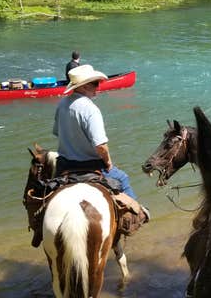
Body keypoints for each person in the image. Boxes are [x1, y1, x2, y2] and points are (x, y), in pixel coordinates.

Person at [53, 65, 149, 218]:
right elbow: (101, 146)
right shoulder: (90, 109)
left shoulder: (62, 104)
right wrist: (108, 162)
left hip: (64, 165)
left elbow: (57, 133)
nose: (98, 87)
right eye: (96, 83)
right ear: (84, 86)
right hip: (90, 165)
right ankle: (137, 216)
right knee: (122, 178)